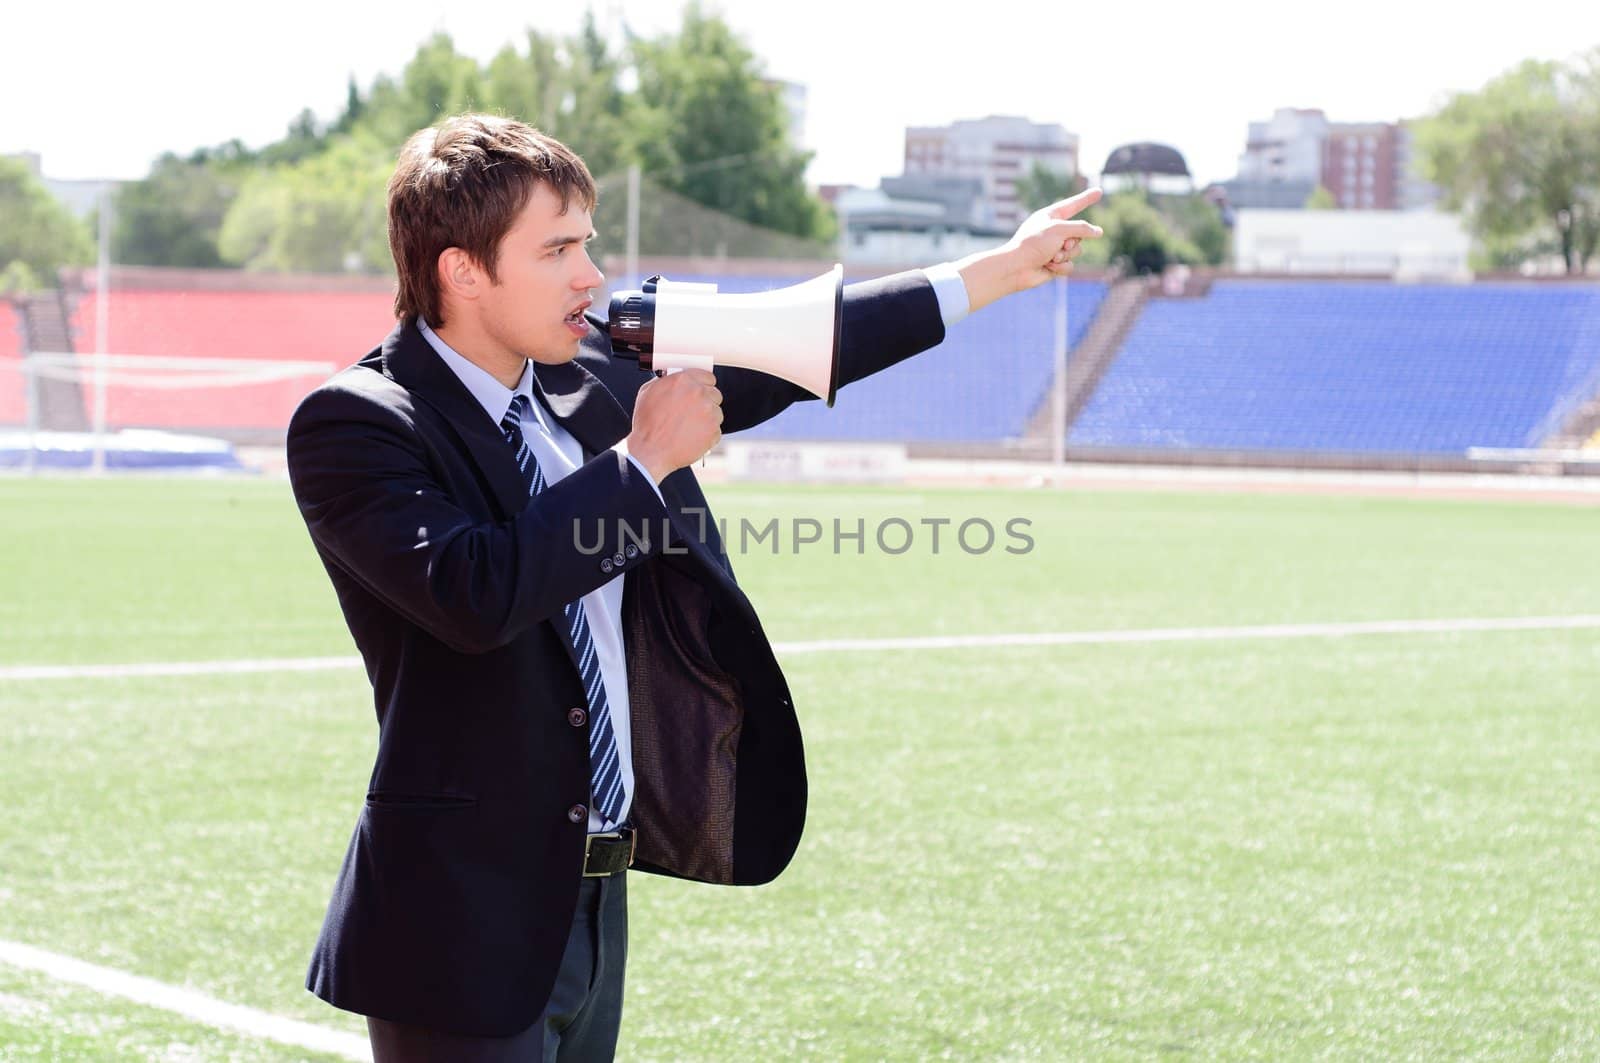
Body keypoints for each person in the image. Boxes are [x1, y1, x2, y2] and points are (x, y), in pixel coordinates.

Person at [287, 112, 1100, 1061]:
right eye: (556, 250)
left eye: (585, 243)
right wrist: (642, 465)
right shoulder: (359, 422)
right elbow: (476, 594)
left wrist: (1001, 269)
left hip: (591, 894)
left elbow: (808, 341)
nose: (590, 275)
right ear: (463, 270)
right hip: (457, 917)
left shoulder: (593, 370)